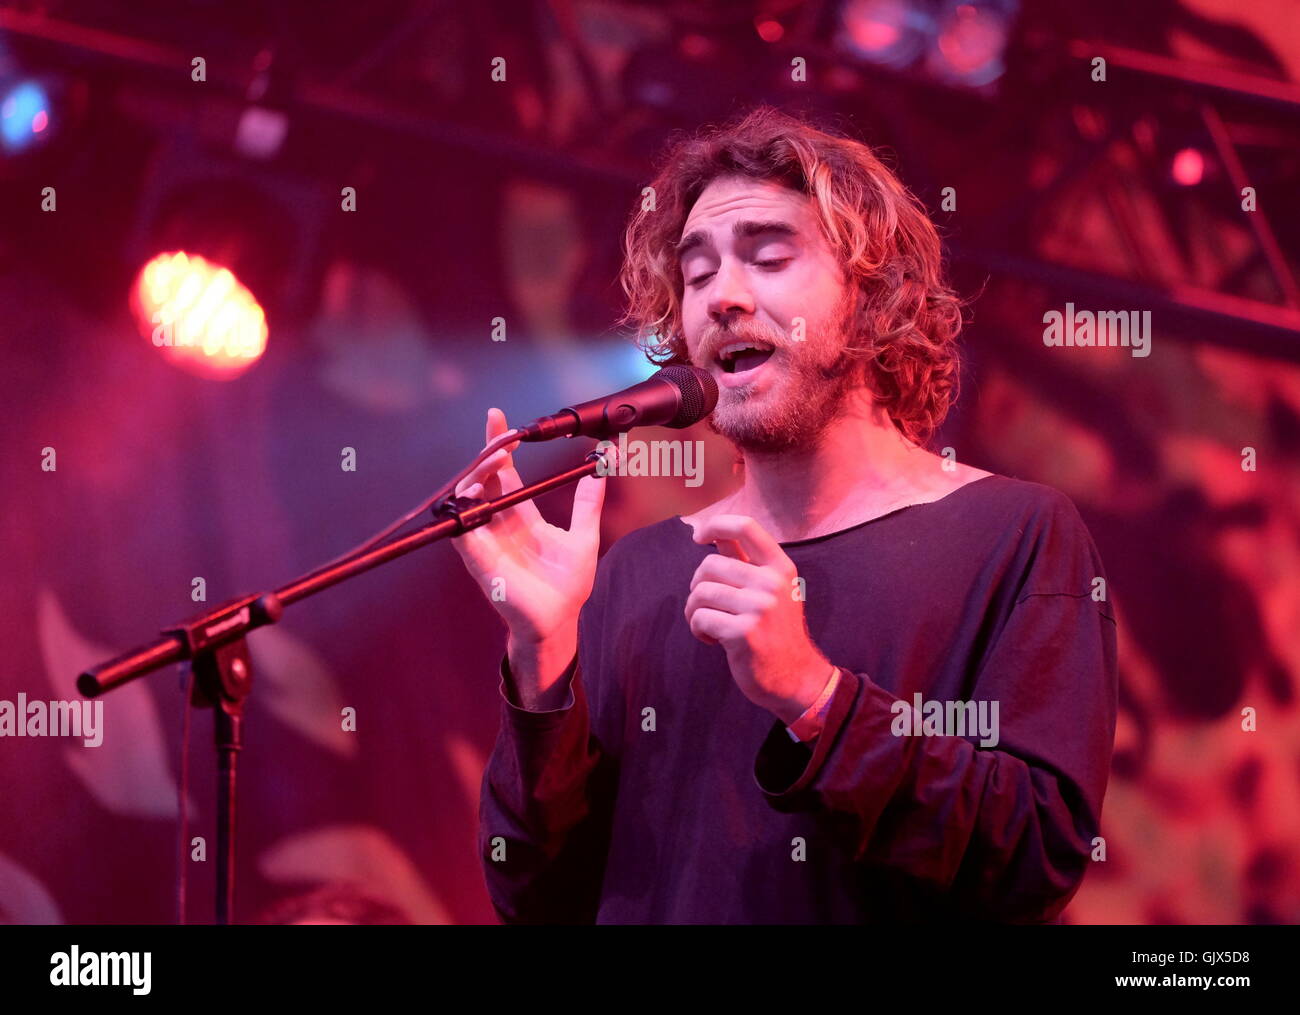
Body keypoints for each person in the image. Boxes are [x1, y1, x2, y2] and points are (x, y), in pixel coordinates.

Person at [451, 106, 1117, 924]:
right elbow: (533, 897)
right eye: (696, 276)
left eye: (768, 258)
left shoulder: (1016, 537)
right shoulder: (638, 572)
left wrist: (816, 699)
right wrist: (543, 661)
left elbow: (1035, 857)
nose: (723, 296)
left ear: (874, 298)